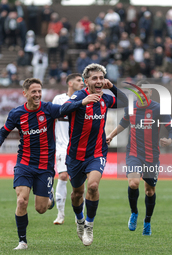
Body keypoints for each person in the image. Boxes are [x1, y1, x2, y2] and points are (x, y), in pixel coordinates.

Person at [60, 63, 128, 246]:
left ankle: (89, 225)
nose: (98, 81)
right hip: (75, 156)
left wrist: (112, 87)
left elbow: (125, 102)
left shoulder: (105, 99)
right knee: (77, 193)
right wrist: (81, 102)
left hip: (97, 153)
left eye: (101, 78)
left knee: (93, 186)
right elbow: (62, 110)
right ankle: (80, 220)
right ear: (86, 81)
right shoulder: (78, 96)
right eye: (94, 78)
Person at [0, 78, 62, 250]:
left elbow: (68, 109)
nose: (37, 94)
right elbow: (3, 131)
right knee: (22, 201)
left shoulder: (49, 109)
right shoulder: (17, 113)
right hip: (24, 163)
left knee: (41, 209)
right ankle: (22, 241)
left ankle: (49, 198)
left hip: (45, 165)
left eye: (39, 91)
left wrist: (83, 100)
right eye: (34, 92)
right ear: (25, 94)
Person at [106, 82, 172, 236]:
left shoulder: (158, 108)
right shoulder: (130, 108)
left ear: (151, 93)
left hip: (152, 156)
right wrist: (111, 135)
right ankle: (134, 213)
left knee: (149, 192)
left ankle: (147, 221)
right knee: (133, 183)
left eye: (146, 92)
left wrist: (170, 139)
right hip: (134, 153)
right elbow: (124, 122)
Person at [52, 73, 84, 225]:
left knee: (79, 183)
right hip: (62, 145)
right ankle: (60, 214)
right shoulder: (58, 99)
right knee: (63, 176)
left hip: (80, 146)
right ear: (70, 83)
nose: (82, 83)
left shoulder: (85, 99)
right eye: (79, 80)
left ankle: (81, 215)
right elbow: (50, 119)